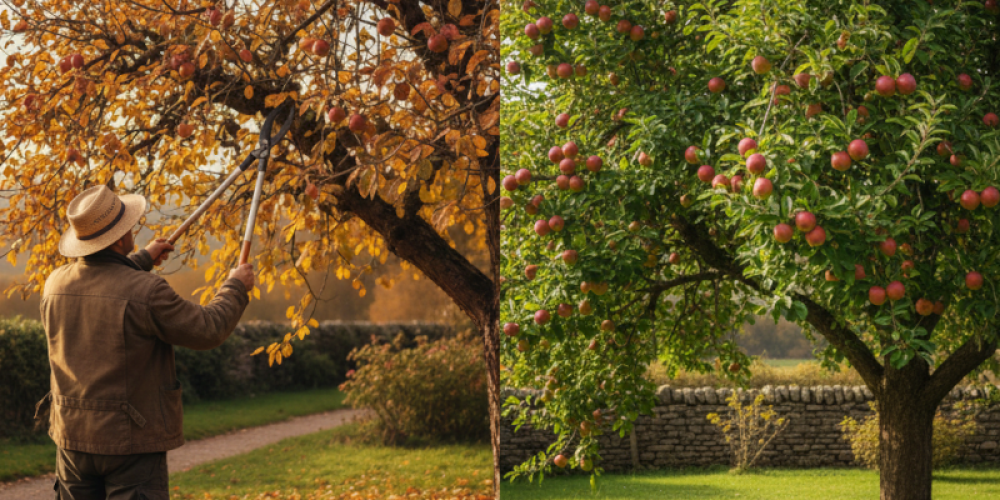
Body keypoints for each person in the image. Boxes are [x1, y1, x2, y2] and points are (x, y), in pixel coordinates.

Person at [33, 185, 255, 500]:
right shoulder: (147, 292)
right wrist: (235, 287)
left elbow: (105, 282)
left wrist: (141, 258)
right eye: (128, 227)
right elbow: (208, 329)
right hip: (131, 441)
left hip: (72, 436)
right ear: (120, 238)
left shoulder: (54, 284)